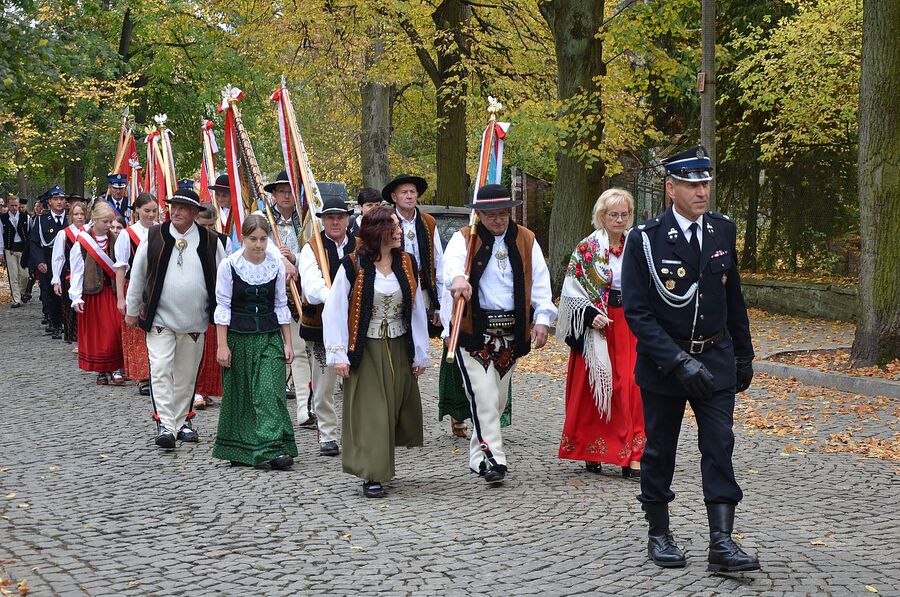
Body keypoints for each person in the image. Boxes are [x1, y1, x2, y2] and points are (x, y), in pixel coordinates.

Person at [621, 145, 759, 572]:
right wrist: (678, 362)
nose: (702, 192)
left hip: (715, 358)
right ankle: (659, 533)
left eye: (706, 184)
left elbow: (733, 297)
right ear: (671, 188)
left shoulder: (722, 230)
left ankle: (722, 542)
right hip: (665, 364)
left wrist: (744, 354)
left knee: (719, 445)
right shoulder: (645, 239)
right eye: (692, 185)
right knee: (660, 449)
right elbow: (638, 313)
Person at [444, 184, 557, 486]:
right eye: (491, 215)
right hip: (473, 332)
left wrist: (542, 319)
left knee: (496, 401)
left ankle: (478, 457)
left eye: (503, 213)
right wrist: (458, 280)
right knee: (484, 395)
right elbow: (451, 270)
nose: (498, 220)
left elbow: (540, 282)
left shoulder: (526, 239)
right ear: (479, 215)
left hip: (510, 334)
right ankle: (495, 459)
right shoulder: (463, 239)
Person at [323, 205, 429, 498]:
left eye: (398, 226)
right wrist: (338, 353)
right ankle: (372, 474)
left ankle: (380, 465)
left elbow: (416, 309)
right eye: (392, 226)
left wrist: (420, 351)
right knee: (374, 412)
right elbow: (334, 310)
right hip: (366, 348)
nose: (399, 231)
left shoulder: (406, 262)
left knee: (392, 408)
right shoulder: (353, 264)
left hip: (398, 347)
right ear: (377, 230)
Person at [125, 188, 225, 449]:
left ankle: (182, 422)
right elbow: (138, 274)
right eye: (174, 207)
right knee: (160, 369)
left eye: (183, 208)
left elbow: (224, 278)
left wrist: (223, 313)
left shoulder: (210, 240)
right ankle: (166, 425)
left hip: (194, 321)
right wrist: (132, 309)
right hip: (160, 318)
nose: (176, 212)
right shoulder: (154, 236)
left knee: (186, 374)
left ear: (194, 212)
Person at [557, 188, 645, 479]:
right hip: (599, 326)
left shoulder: (638, 244)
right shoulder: (587, 248)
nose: (619, 220)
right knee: (596, 389)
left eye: (624, 214)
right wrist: (589, 314)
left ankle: (634, 454)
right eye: (613, 214)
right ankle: (592, 449)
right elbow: (571, 290)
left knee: (632, 386)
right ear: (602, 216)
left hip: (630, 324)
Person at [212, 214, 297, 470]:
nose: (258, 245)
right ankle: (240, 447)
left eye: (262, 239)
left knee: (269, 392)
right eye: (253, 239)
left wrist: (288, 343)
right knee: (241, 394)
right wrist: (222, 345)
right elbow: (223, 306)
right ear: (243, 238)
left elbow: (280, 305)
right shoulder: (229, 265)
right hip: (238, 338)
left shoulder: (275, 265)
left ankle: (273, 447)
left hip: (269, 337)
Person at [298, 195, 356, 457]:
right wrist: (336, 298)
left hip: (354, 324)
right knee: (324, 385)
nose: (335, 222)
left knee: (358, 382)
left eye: (340, 217)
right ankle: (328, 433)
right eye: (330, 217)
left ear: (347, 219)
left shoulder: (360, 245)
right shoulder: (312, 247)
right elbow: (311, 288)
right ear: (322, 220)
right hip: (321, 326)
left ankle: (357, 432)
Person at [257, 170, 313, 427]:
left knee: (300, 351)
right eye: (281, 191)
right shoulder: (262, 218)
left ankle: (304, 407)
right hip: (268, 295)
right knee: (270, 353)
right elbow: (256, 247)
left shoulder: (307, 220)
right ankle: (269, 409)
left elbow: (314, 252)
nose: (287, 196)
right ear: (274, 195)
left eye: (290, 191)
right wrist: (281, 260)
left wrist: (295, 259)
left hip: (297, 295)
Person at [68, 202, 124, 384]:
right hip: (93, 294)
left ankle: (116, 367)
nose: (109, 226)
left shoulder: (116, 240)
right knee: (99, 334)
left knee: (114, 331)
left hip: (112, 292)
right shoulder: (82, 242)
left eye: (110, 222)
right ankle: (102, 370)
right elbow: (77, 271)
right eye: (105, 222)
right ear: (95, 220)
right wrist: (76, 297)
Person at [382, 174, 443, 337]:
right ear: (394, 197)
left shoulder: (428, 222)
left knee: (420, 335)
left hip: (422, 289)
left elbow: (439, 262)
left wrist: (439, 303)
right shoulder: (385, 221)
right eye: (404, 192)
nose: (409, 196)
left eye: (412, 192)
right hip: (393, 287)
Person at [114, 193, 159, 396]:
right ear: (137, 210)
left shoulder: (162, 230)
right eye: (146, 210)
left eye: (154, 211)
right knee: (137, 332)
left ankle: (158, 374)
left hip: (157, 286)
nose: (151, 214)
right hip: (135, 285)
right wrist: (121, 297)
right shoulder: (128, 234)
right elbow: (121, 267)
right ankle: (143, 376)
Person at [193, 204, 229, 409]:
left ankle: (205, 389)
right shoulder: (189, 241)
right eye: (203, 225)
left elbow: (225, 268)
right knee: (195, 347)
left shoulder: (221, 241)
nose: (207, 229)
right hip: (193, 299)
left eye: (210, 225)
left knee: (210, 348)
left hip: (214, 298)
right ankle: (196, 390)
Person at [29, 187, 67, 339]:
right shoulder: (42, 220)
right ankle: (56, 324)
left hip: (68, 261)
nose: (59, 202)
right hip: (49, 261)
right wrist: (39, 261)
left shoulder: (70, 218)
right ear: (49, 202)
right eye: (55, 199)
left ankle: (69, 324)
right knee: (52, 294)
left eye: (62, 199)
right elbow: (34, 242)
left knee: (68, 293)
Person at [51, 201, 87, 347]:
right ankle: (77, 340)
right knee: (72, 308)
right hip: (69, 276)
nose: (79, 217)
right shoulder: (64, 234)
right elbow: (58, 258)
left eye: (82, 214)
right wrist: (56, 280)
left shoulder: (89, 231)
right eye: (76, 214)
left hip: (88, 277)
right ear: (71, 216)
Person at [1, 195, 31, 308]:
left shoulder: (25, 217)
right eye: (12, 205)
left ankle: (22, 292)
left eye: (16, 205)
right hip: (10, 250)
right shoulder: (3, 218)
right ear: (8, 205)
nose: (14, 208)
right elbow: (0, 235)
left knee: (25, 275)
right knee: (13, 275)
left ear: (19, 205)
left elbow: (29, 233)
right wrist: (1, 252)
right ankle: (16, 299)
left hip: (23, 249)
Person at [209, 174, 236, 241]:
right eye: (217, 194)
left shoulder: (238, 214)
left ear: (232, 195)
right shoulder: (212, 211)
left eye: (224, 196)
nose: (220, 199)